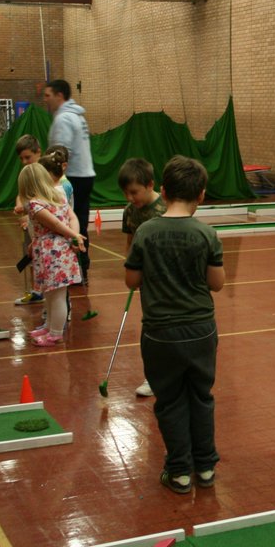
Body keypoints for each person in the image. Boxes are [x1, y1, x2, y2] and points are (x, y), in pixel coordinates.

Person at [124, 156, 225, 494]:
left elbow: (131, 279)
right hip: (200, 329)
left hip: (160, 332)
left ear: (163, 191)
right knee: (201, 395)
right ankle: (206, 466)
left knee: (169, 401)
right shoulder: (207, 234)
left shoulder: (146, 231)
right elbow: (217, 283)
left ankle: (180, 471)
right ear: (202, 195)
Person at [18, 163, 85, 347]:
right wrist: (74, 235)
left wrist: (74, 236)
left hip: (53, 253)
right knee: (50, 293)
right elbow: (71, 217)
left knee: (57, 296)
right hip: (52, 251)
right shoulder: (59, 194)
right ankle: (49, 326)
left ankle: (55, 333)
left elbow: (55, 224)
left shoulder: (34, 204)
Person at [118, 157, 166, 398]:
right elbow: (129, 243)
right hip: (147, 283)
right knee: (151, 328)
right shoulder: (130, 211)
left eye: (134, 192)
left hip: (169, 280)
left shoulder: (166, 208)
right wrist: (132, 269)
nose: (130, 198)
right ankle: (153, 377)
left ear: (150, 185)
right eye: (126, 193)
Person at [44, 80, 94, 284]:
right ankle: (80, 268)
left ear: (59, 95)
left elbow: (61, 153)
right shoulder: (77, 116)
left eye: (48, 95)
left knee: (71, 224)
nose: (45, 100)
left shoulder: (64, 119)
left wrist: (52, 176)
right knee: (79, 222)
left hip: (73, 177)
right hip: (84, 175)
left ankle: (76, 269)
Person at [13, 135, 44, 306]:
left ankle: (48, 291)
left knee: (44, 258)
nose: (25, 162)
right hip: (30, 223)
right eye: (21, 158)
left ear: (38, 153)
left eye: (28, 157)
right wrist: (21, 209)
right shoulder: (25, 173)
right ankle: (36, 291)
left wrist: (28, 211)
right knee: (31, 256)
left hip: (42, 224)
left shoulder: (42, 173)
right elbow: (21, 194)